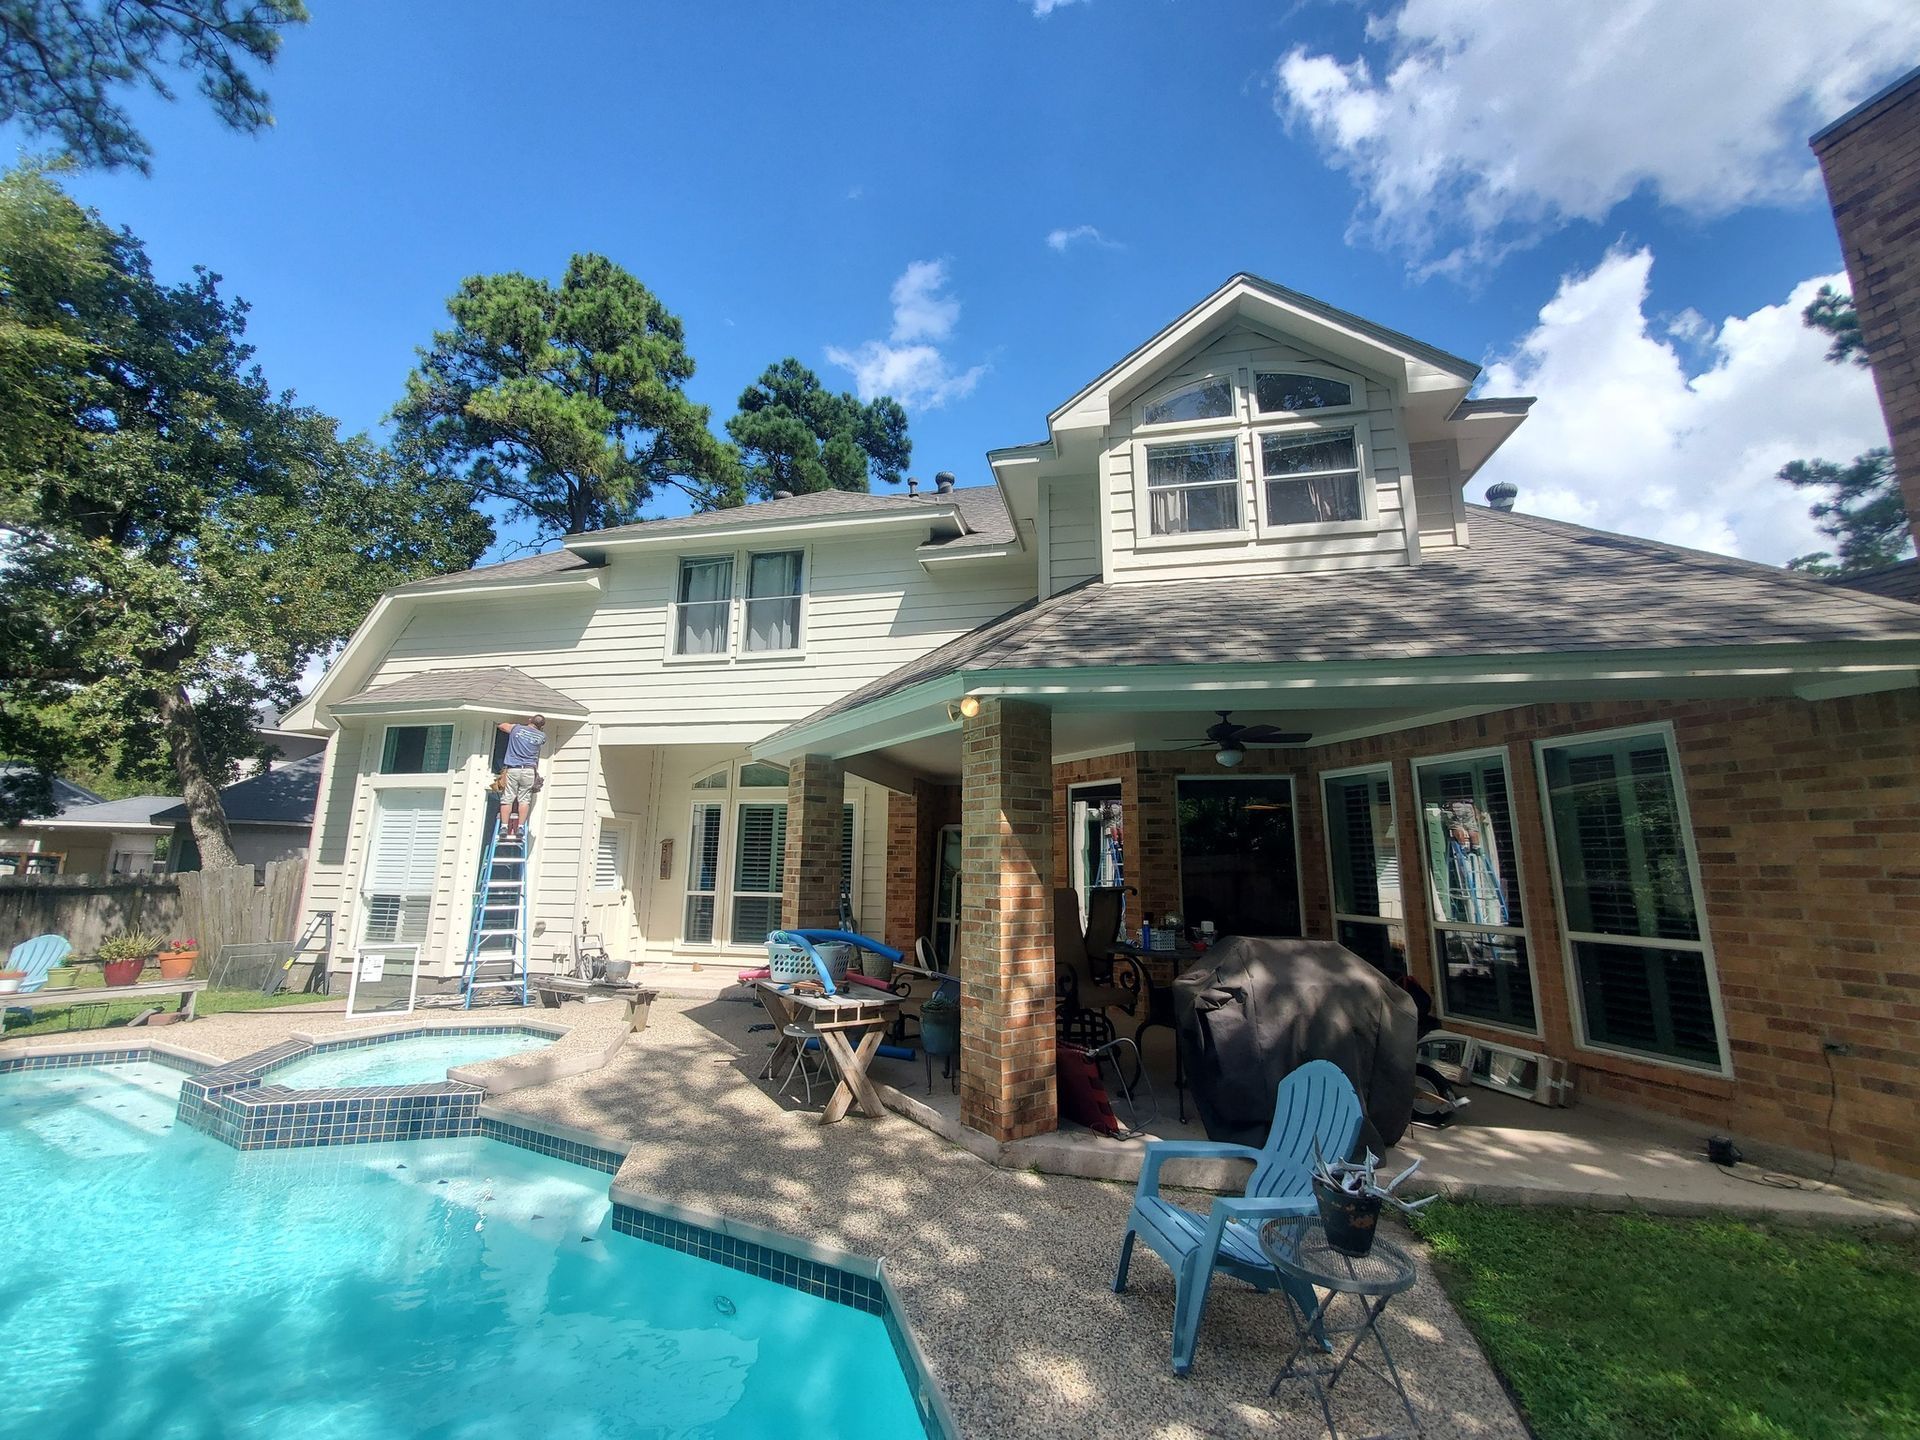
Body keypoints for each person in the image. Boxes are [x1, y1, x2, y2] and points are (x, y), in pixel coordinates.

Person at [496, 714, 547, 838]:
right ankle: (520, 827)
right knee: (524, 800)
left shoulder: (517, 729)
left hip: (513, 769)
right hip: (529, 770)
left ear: (530, 720)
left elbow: (502, 726)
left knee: (507, 798)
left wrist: (514, 725)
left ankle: (503, 826)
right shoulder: (542, 736)